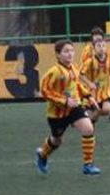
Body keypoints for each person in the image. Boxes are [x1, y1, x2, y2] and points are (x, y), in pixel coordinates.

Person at [35, 40, 102, 176]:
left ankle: (88, 165)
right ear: (58, 55)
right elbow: (44, 90)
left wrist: (89, 96)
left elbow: (77, 85)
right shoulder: (54, 72)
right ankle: (42, 154)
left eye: (71, 51)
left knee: (88, 128)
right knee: (56, 140)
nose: (70, 54)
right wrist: (64, 101)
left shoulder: (74, 68)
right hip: (57, 114)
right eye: (66, 51)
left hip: (74, 108)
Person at [79, 27, 110, 123]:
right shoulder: (88, 53)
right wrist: (89, 82)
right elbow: (82, 70)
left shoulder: (107, 55)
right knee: (94, 114)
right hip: (91, 88)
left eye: (100, 39)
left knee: (105, 108)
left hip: (103, 89)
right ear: (92, 40)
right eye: (96, 39)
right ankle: (87, 121)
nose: (101, 46)